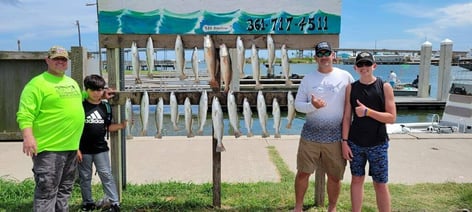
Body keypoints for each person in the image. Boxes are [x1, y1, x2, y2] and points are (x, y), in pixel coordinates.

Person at [16, 45, 85, 211]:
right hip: (49, 148)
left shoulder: (72, 83)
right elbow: (25, 113)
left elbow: (76, 102)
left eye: (63, 59)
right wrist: (28, 137)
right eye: (56, 59)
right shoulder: (36, 84)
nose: (60, 62)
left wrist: (100, 94)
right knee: (47, 191)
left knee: (65, 190)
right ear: (47, 60)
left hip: (70, 148)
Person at [293, 41, 354, 212]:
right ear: (315, 58)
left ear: (333, 55)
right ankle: (298, 207)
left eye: (327, 53)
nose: (324, 57)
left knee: (334, 177)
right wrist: (313, 106)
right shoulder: (308, 78)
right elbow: (298, 105)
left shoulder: (346, 77)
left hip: (336, 138)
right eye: (320, 54)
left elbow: (353, 105)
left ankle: (332, 208)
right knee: (303, 173)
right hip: (310, 137)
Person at [341, 52, 396, 212]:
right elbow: (346, 117)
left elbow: (391, 117)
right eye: (360, 65)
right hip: (355, 143)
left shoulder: (384, 86)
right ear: (355, 68)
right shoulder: (351, 88)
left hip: (378, 144)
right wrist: (344, 142)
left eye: (367, 64)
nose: (364, 68)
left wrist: (368, 112)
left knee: (380, 183)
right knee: (356, 179)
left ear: (374, 66)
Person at [78, 74, 126, 211]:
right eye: (92, 90)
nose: (96, 93)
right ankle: (88, 202)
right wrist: (76, 149)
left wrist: (122, 125)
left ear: (103, 91)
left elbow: (107, 127)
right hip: (83, 150)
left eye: (99, 90)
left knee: (106, 175)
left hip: (101, 149)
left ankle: (114, 202)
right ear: (86, 90)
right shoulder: (80, 106)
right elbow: (74, 129)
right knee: (85, 177)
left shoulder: (106, 107)